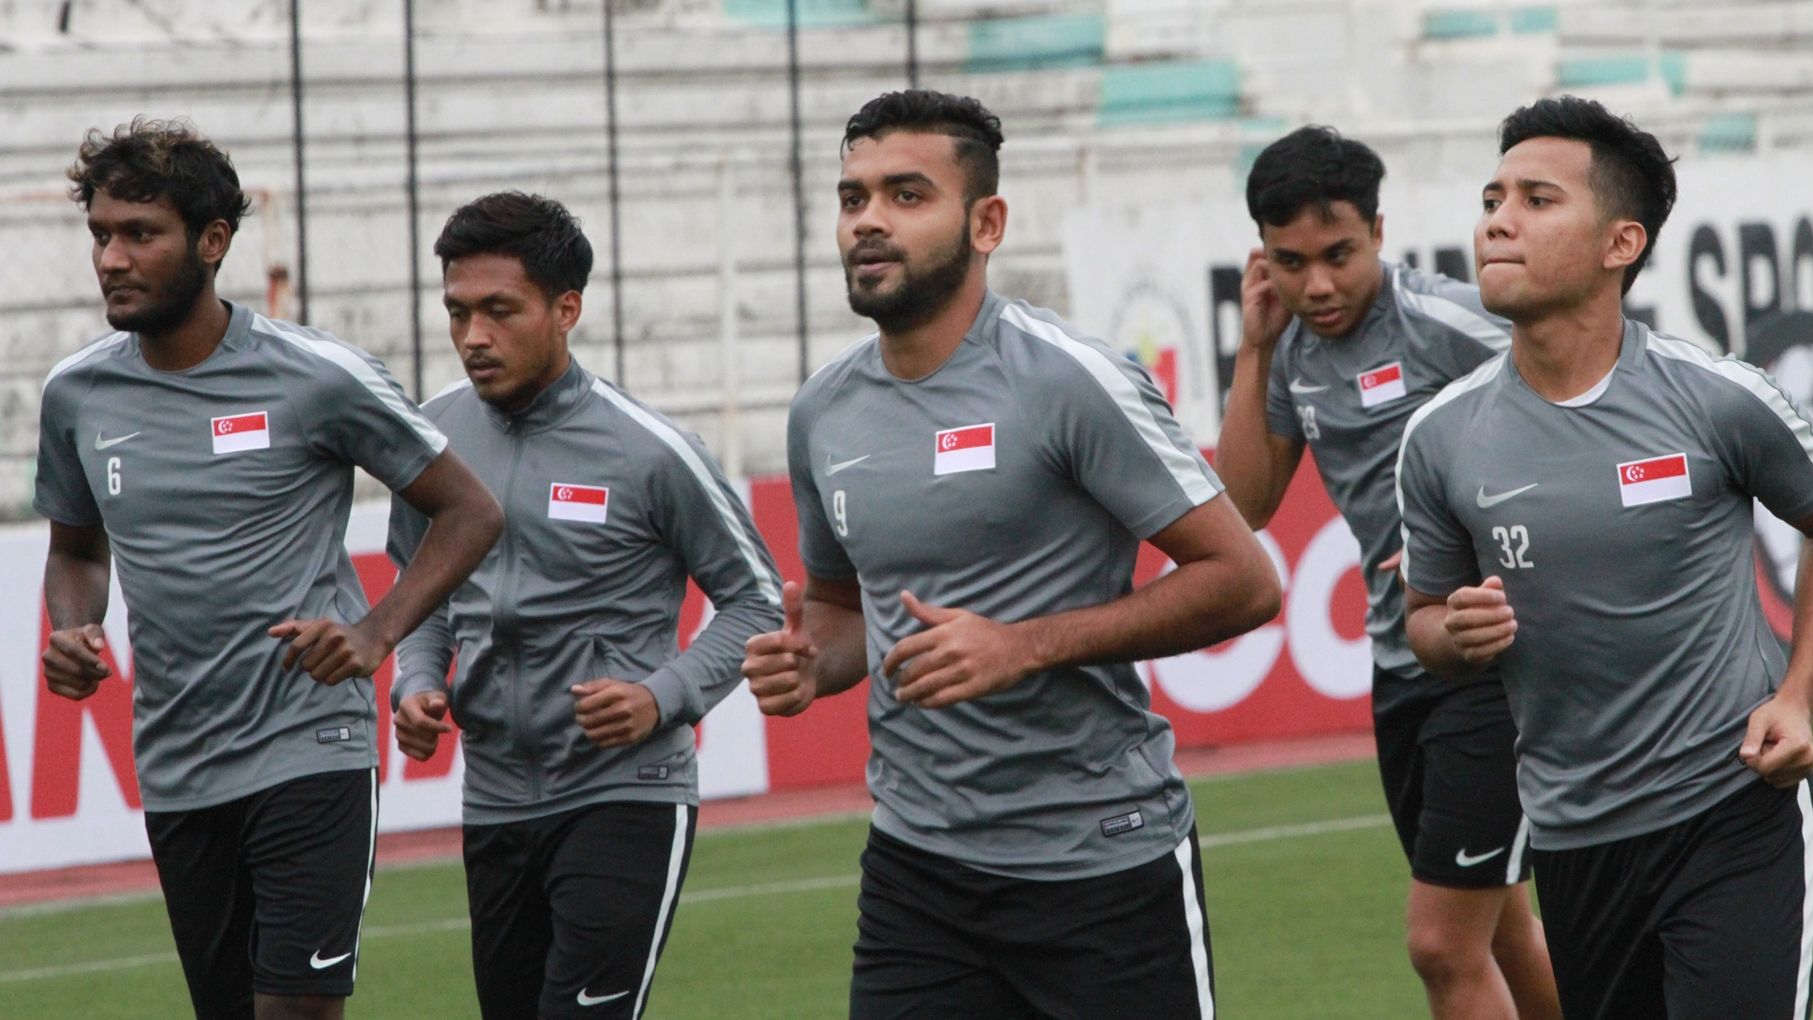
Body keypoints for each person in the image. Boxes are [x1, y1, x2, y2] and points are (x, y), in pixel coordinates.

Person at [741, 89, 1282, 1020]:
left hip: (1100, 862)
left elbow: (1244, 582)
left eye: (907, 195)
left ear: (986, 221)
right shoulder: (821, 412)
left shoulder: (1070, 378)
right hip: (917, 868)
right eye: (853, 196)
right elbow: (839, 613)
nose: (868, 219)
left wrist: (1022, 645)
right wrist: (806, 664)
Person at [1396, 95, 1813, 1020]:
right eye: (1492, 197)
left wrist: (1798, 693)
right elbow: (1422, 623)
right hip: (1574, 842)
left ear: (1620, 244)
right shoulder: (1440, 437)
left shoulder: (1717, 398)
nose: (1497, 219)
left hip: (1736, 813)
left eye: (1538, 199)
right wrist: (1454, 632)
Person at [36, 118, 503, 1020]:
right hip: (177, 762)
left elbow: (470, 510)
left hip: (309, 749)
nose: (112, 258)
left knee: (294, 1011)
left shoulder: (315, 376)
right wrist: (70, 626)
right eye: (101, 233)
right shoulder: (76, 395)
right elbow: (77, 551)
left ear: (213, 243)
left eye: (141, 234)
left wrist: (377, 632)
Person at [387, 192, 784, 1018]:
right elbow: (418, 591)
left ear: (566, 309)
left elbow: (757, 604)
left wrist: (660, 696)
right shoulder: (430, 440)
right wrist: (416, 680)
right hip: (493, 799)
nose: (473, 338)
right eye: (458, 312)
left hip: (626, 794)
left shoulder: (652, 451)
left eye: (500, 311)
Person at [1214, 126, 1559, 1020]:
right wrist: (1252, 351)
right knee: (1503, 926)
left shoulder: (1448, 322)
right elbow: (1244, 507)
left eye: (1338, 255)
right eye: (1290, 263)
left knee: (1443, 946)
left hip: (1491, 667)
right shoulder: (1288, 352)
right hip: (1399, 669)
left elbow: (1574, 416)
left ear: (1377, 229)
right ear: (1263, 260)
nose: (1317, 285)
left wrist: (1476, 530)